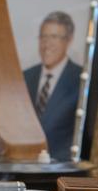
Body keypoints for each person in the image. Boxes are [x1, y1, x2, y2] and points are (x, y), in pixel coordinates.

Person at [23, 10, 83, 161]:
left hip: (63, 167)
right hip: (23, 164)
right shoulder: (24, 77)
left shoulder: (81, 79)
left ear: (69, 40)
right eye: (43, 37)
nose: (46, 44)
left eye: (54, 37)